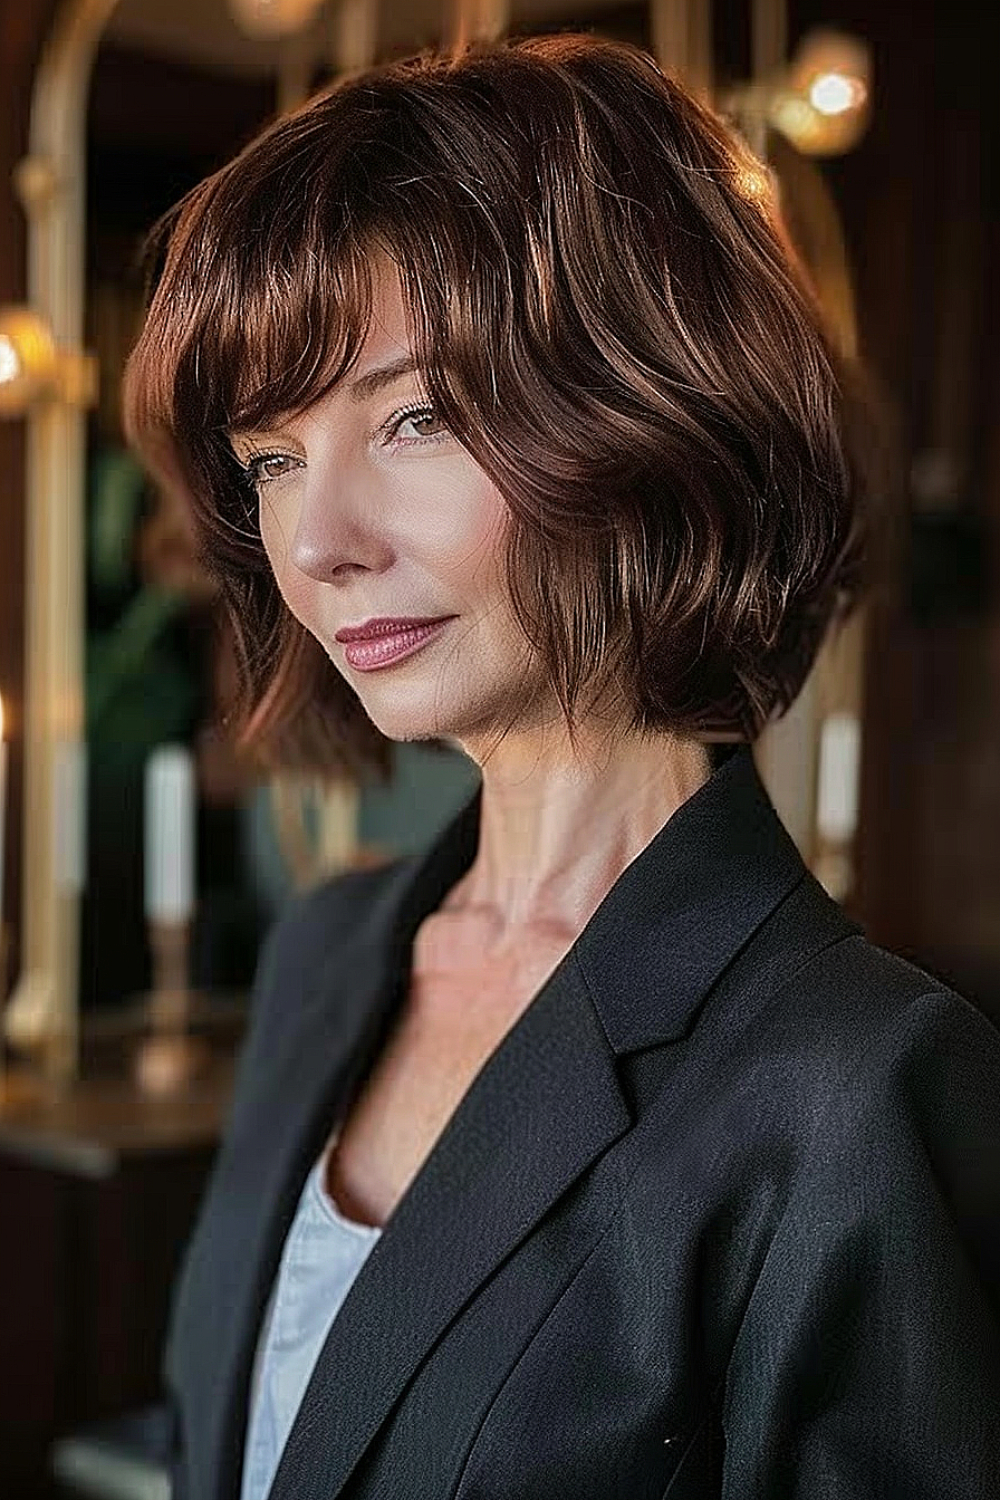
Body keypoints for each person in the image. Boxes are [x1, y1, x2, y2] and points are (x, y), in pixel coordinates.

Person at [122, 31, 1000, 1500]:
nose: (319, 540)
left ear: (642, 421)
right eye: (271, 457)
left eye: (415, 416)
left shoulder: (859, 1084)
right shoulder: (331, 955)